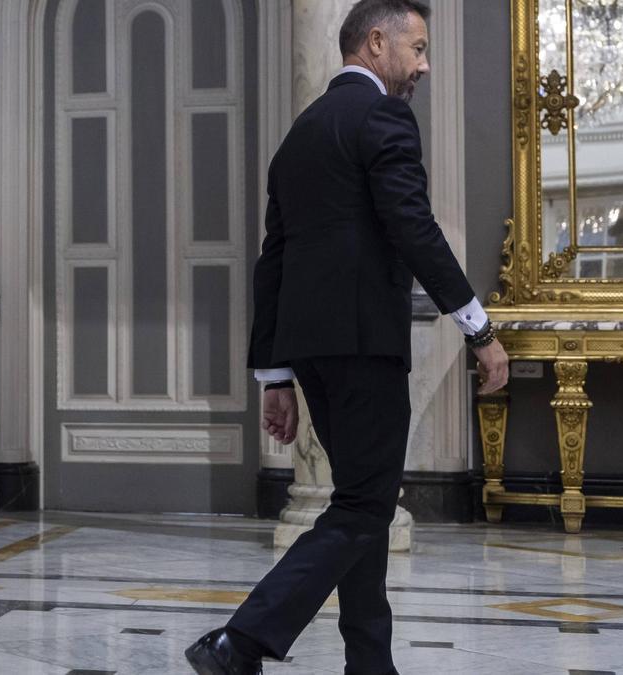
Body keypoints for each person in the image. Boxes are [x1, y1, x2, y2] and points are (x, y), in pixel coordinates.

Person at [184, 1, 509, 673]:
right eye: (416, 49)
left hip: (311, 351)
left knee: (361, 499)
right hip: (365, 346)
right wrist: (478, 326)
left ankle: (369, 662)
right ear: (374, 42)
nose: (423, 65)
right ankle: (238, 641)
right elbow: (413, 228)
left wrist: (275, 375)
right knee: (365, 504)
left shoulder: (300, 133)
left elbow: (272, 260)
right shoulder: (383, 116)